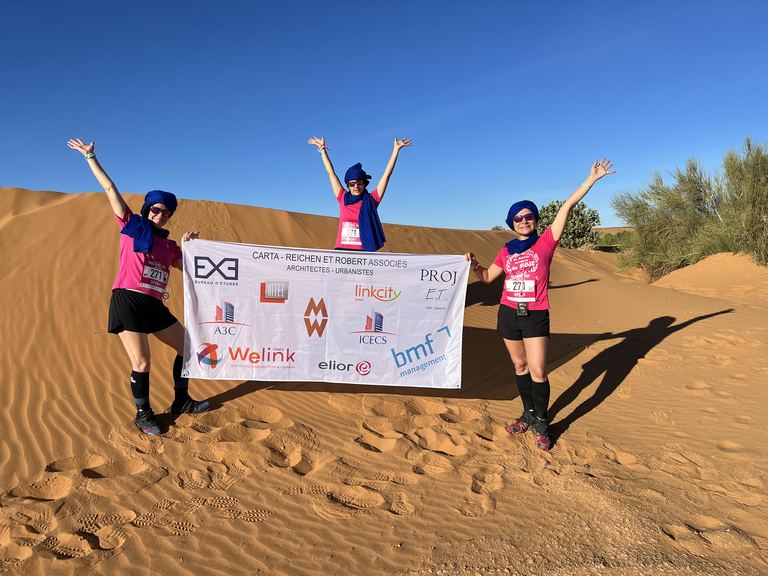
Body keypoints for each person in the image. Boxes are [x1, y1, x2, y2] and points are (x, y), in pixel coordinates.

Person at [465, 159, 615, 450]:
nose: (524, 220)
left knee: (537, 371)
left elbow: (565, 208)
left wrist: (590, 180)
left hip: (535, 314)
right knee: (519, 366)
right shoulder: (506, 250)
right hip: (509, 313)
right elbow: (487, 279)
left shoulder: (546, 241)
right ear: (512, 222)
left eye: (528, 216)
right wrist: (474, 265)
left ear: (535, 219)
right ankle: (527, 413)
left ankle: (542, 422)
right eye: (518, 218)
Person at [67, 138, 210, 435]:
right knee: (142, 362)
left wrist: (190, 247)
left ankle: (181, 401)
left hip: (154, 305)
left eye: (168, 212)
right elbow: (110, 189)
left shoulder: (169, 245)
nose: (161, 214)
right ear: (147, 208)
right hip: (128, 301)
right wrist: (91, 156)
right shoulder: (132, 225)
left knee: (187, 347)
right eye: (157, 209)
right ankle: (143, 414)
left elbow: (192, 270)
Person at [308, 136, 412, 251]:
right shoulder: (343, 197)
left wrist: (396, 150)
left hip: (363, 254)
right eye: (352, 184)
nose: (356, 186)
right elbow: (331, 173)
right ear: (348, 185)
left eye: (359, 182)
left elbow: (386, 176)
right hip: (342, 252)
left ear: (364, 184)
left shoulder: (372, 200)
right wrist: (322, 149)